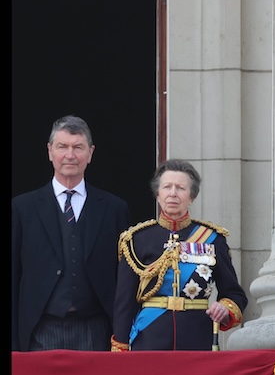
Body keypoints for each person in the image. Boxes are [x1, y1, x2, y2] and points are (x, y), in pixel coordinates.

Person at [12, 115, 131, 351]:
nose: (70, 155)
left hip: (98, 330)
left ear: (90, 153)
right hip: (40, 329)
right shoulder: (21, 208)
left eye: (78, 147)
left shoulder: (114, 209)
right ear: (50, 152)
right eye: (62, 147)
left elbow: (124, 279)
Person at [111, 159, 248, 351]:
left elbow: (234, 293)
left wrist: (225, 309)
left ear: (191, 197)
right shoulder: (136, 239)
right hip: (149, 338)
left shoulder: (212, 238)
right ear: (158, 195)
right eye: (167, 187)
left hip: (196, 338)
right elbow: (123, 302)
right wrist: (121, 346)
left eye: (181, 188)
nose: (173, 194)